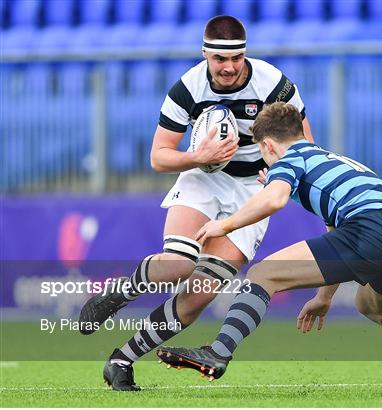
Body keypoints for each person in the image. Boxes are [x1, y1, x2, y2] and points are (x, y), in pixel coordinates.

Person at [156, 102, 382, 396]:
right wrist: (323, 297)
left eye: (263, 153)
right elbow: (336, 231)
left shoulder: (290, 158)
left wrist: (225, 225)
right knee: (372, 306)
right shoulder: (330, 158)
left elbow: (274, 199)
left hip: (370, 228)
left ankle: (217, 353)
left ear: (267, 146)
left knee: (263, 274)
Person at [78, 16, 313, 391]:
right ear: (205, 54)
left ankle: (121, 360)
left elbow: (303, 144)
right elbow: (159, 157)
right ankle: (121, 292)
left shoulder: (274, 83)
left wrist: (282, 173)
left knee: (198, 296)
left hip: (252, 188)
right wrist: (197, 155)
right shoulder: (187, 88)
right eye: (220, 58)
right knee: (178, 264)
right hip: (202, 177)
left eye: (236, 58)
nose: (230, 66)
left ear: (245, 54)